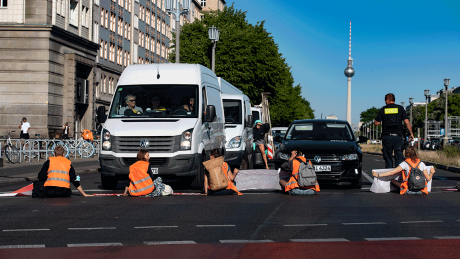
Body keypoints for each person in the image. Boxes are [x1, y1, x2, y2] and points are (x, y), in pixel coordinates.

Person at [375, 93, 414, 168]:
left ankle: (389, 177)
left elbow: (377, 123)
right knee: (399, 157)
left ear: (388, 100)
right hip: (398, 137)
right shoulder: (400, 108)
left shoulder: (383, 109)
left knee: (388, 158)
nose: (385, 102)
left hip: (387, 137)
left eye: (385, 100)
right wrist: (411, 133)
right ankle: (397, 177)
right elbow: (407, 122)